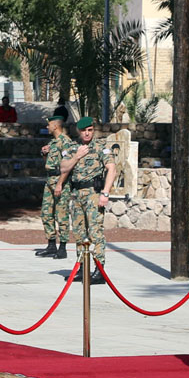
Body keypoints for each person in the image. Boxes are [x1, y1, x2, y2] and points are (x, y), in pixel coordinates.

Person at [57, 117, 117, 284]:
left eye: (90, 130)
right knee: (79, 232)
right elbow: (63, 168)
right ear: (79, 131)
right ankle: (82, 268)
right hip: (76, 194)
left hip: (93, 193)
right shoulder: (71, 148)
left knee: (95, 231)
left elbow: (112, 168)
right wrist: (76, 157)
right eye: (84, 131)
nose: (87, 133)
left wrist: (105, 193)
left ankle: (99, 270)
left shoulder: (100, 147)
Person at [36, 114, 74, 259]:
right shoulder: (53, 142)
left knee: (61, 213)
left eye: (49, 124)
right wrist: (44, 153)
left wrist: (60, 183)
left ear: (56, 126)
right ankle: (51, 244)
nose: (47, 127)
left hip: (60, 180)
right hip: (50, 179)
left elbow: (67, 166)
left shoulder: (65, 142)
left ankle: (63, 247)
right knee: (46, 212)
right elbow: (49, 162)